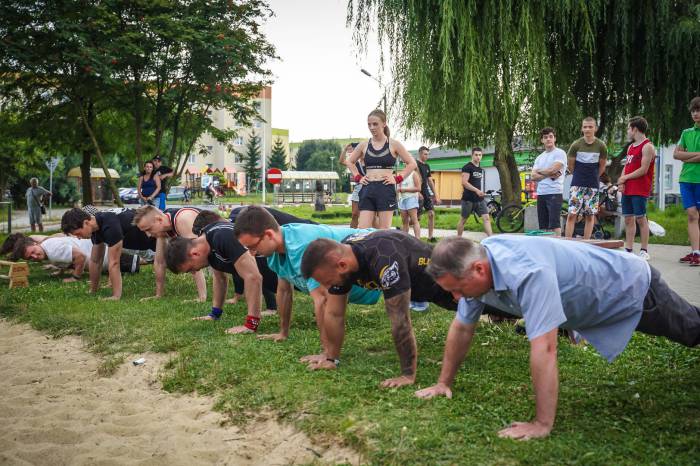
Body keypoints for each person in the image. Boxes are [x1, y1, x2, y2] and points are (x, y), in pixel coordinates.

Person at [415, 236, 699, 440]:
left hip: (629, 288)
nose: (455, 298)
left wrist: (541, 423)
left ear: (479, 269)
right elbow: (463, 327)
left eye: (457, 289)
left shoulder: (526, 272)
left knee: (692, 330)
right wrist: (442, 383)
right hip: (593, 303)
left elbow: (545, 347)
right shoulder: (478, 266)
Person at [299, 230, 461, 388]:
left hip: (449, 280)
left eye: (327, 281)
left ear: (342, 266)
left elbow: (400, 321)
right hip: (423, 290)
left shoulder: (385, 261)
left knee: (482, 303)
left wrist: (407, 375)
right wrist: (330, 358)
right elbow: (335, 314)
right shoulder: (345, 256)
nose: (327, 287)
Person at [232, 205, 381, 362]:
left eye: (252, 246)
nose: (251, 253)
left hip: (377, 252)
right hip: (365, 278)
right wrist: (283, 332)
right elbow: (284, 290)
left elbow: (323, 301)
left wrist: (327, 355)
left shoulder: (301, 247)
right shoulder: (276, 251)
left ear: (268, 235)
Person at [165, 221, 275, 334]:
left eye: (191, 268)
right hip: (281, 278)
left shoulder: (222, 236)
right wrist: (215, 314)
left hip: (291, 268)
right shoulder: (207, 243)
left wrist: (251, 325)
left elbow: (253, 277)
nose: (195, 272)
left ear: (194, 254)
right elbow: (220, 278)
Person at [60, 208, 157, 300]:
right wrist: (93, 289)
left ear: (86, 222)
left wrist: (116, 296)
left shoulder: (110, 226)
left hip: (157, 246)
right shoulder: (97, 223)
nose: (79, 238)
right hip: (146, 248)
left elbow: (114, 263)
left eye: (78, 233)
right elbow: (95, 260)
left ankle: (117, 294)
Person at [346, 109, 418, 229]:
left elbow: (412, 163)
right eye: (369, 124)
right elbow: (349, 161)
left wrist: (398, 178)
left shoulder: (394, 144)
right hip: (367, 188)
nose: (372, 127)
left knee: (383, 232)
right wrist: (358, 177)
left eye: (375, 124)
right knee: (363, 230)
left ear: (384, 124)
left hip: (385, 189)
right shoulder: (364, 145)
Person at [132, 205, 208, 302]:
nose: (148, 234)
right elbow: (159, 262)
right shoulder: (163, 225)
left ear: (159, 220)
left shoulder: (182, 220)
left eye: (148, 229)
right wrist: (158, 295)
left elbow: (194, 258)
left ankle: (204, 297)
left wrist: (202, 298)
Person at [8, 234, 141, 282]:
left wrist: (75, 277)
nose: (34, 256)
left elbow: (81, 257)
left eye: (33, 252)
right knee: (140, 257)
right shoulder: (46, 248)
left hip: (106, 257)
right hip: (101, 256)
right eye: (30, 257)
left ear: (35, 244)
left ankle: (158, 260)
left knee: (143, 260)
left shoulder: (52, 250)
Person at [617, 116, 656, 259]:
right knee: (628, 219)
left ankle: (644, 250)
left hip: (640, 189)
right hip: (628, 188)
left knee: (641, 219)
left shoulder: (648, 146)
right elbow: (626, 167)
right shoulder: (630, 147)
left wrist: (625, 178)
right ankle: (628, 248)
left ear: (635, 129)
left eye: (628, 128)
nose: (627, 131)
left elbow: (643, 169)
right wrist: (621, 182)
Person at [565, 117, 608, 239]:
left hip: (593, 185)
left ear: (595, 128)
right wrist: (579, 176)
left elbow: (602, 167)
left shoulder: (601, 146)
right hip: (577, 184)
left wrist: (594, 177)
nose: (587, 129)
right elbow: (571, 166)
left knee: (590, 216)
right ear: (582, 128)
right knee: (572, 214)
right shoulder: (576, 145)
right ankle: (568, 243)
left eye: (590, 127)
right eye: (585, 127)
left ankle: (586, 243)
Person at [673, 96, 700, 266]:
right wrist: (696, 157)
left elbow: (682, 155)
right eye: (693, 111)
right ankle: (695, 252)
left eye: (698, 110)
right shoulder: (686, 133)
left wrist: (686, 157)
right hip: (686, 179)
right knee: (692, 215)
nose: (696, 114)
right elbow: (676, 154)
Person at [531, 128, 567, 235]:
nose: (548, 139)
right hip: (541, 193)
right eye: (545, 137)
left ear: (555, 138)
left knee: (554, 224)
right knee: (543, 225)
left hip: (554, 192)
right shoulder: (539, 158)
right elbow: (533, 176)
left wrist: (540, 171)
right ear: (542, 140)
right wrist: (548, 174)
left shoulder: (560, 153)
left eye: (551, 136)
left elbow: (553, 170)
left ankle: (557, 247)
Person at [457, 147, 492, 237]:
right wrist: (476, 190)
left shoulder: (480, 169)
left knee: (486, 218)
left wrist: (480, 192)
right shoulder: (467, 167)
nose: (478, 157)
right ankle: (458, 239)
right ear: (472, 155)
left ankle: (491, 239)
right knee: (463, 220)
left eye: (480, 155)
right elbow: (464, 183)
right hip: (468, 199)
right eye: (476, 155)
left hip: (479, 199)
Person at [416, 146, 441, 242]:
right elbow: (412, 179)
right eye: (425, 154)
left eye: (428, 154)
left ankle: (430, 237)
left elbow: (430, 181)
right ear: (420, 153)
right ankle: (402, 228)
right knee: (416, 218)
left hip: (425, 192)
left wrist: (436, 195)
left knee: (431, 214)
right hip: (416, 192)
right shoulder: (415, 164)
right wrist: (417, 192)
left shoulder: (427, 166)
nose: (427, 156)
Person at [339, 143, 364, 228]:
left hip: (368, 186)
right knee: (354, 214)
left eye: (353, 150)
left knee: (369, 215)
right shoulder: (353, 161)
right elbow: (341, 161)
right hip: (358, 187)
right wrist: (345, 149)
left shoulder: (367, 159)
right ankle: (352, 234)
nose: (352, 152)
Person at [397, 168, 422, 238]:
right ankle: (405, 240)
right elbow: (398, 187)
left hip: (411, 198)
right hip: (402, 199)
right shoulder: (401, 174)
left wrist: (404, 190)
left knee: (414, 220)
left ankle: (417, 240)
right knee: (404, 222)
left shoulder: (414, 174)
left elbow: (418, 188)